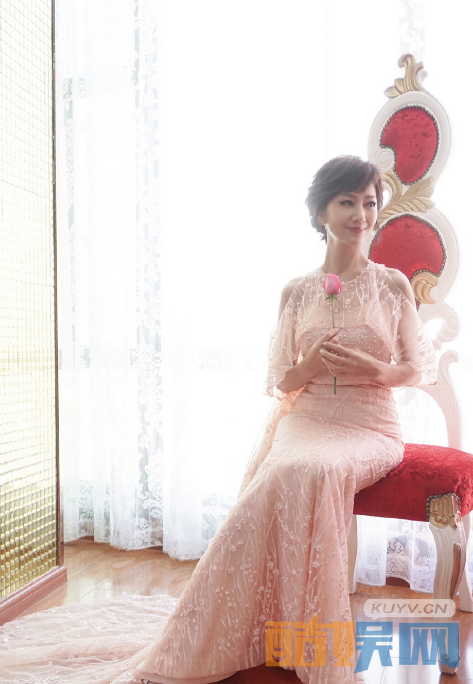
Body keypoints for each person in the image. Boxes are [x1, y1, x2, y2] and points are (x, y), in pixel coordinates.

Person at [0, 155, 437, 684]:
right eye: (348, 202)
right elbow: (282, 381)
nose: (361, 215)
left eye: (369, 203)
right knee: (288, 469)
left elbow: (418, 369)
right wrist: (310, 366)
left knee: (315, 470)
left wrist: (375, 369)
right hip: (309, 417)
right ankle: (244, 628)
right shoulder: (297, 292)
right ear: (321, 211)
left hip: (370, 426)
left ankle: (314, 644)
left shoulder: (392, 285)